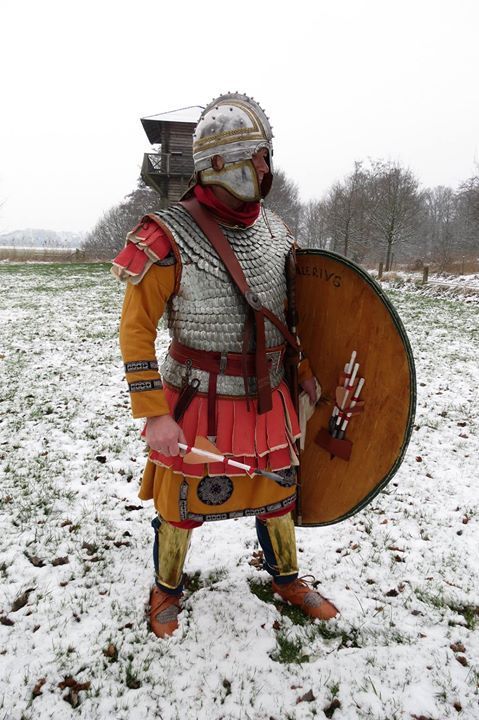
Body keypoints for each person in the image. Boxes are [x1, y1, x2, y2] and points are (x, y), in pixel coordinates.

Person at [112, 93, 338, 638]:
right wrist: (153, 413)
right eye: (257, 156)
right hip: (197, 394)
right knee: (180, 503)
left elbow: (292, 317)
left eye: (266, 155)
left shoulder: (277, 233)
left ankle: (286, 578)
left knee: (278, 494)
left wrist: (305, 371)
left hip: (268, 392)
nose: (265, 167)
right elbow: (136, 330)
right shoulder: (166, 235)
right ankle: (166, 588)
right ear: (223, 163)